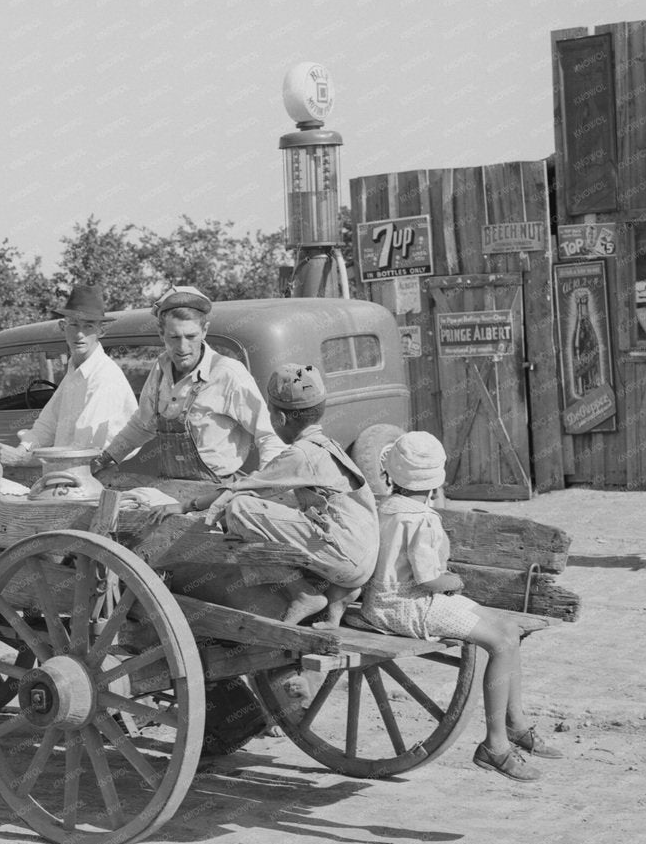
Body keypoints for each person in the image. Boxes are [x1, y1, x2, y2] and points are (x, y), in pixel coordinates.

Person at [360, 431, 561, 782]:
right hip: (411, 604)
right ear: (436, 479)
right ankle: (495, 745)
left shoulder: (385, 508)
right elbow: (427, 580)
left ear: (392, 474)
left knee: (509, 630)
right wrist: (453, 581)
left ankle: (515, 725)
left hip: (387, 600)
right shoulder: (421, 519)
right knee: (501, 640)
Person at [199, 363, 379, 626]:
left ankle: (302, 592)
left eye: (271, 414)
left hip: (345, 559)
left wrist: (187, 506)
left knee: (239, 508)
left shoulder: (301, 454)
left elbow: (242, 488)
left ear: (280, 419)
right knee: (296, 519)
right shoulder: (330, 446)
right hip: (363, 560)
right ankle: (337, 601)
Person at [93, 287, 283, 482]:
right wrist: (108, 458)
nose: (183, 348)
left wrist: (262, 485)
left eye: (191, 336)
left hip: (216, 492)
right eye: (174, 337)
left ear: (205, 331)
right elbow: (142, 425)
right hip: (170, 487)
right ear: (161, 333)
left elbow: (270, 435)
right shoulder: (160, 370)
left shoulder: (228, 374)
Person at [0, 285, 137, 466]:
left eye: (88, 326)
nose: (79, 334)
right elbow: (48, 423)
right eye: (73, 324)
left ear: (102, 330)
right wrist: (21, 450)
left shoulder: (105, 376)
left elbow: (84, 449)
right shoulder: (75, 371)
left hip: (94, 477)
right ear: (62, 326)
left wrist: (22, 459)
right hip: (70, 472)